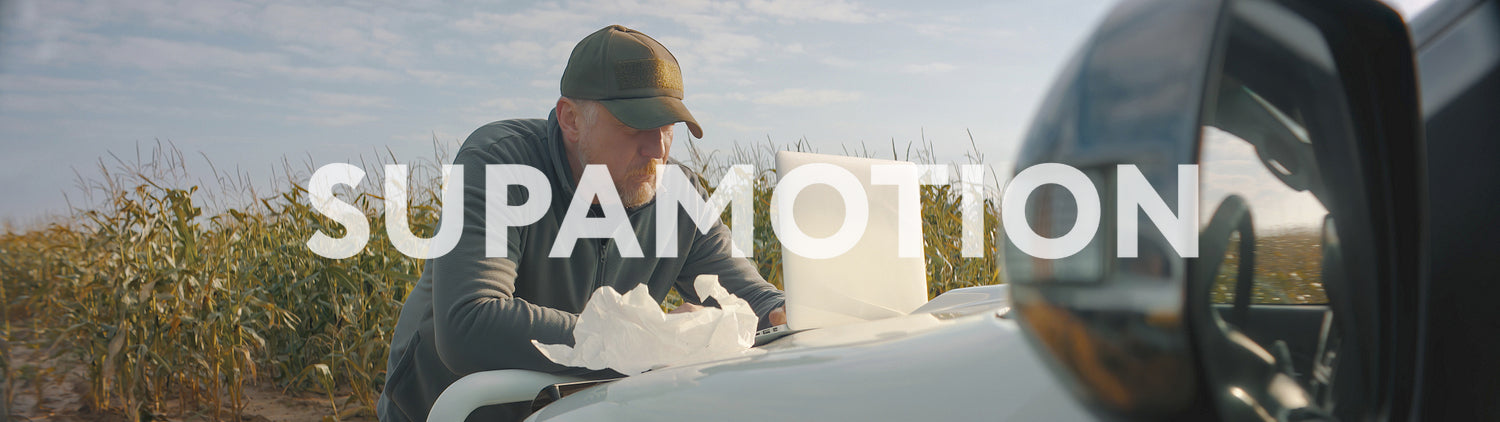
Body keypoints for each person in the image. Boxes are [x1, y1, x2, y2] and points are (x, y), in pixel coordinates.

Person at [376, 25, 788, 422]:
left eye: (667, 128)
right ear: (571, 119)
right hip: (448, 411)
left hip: (568, 411)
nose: (657, 150)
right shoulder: (501, 163)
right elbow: (470, 324)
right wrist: (654, 335)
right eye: (634, 127)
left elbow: (757, 302)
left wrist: (787, 312)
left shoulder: (678, 193)